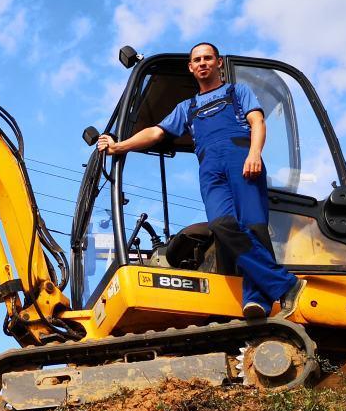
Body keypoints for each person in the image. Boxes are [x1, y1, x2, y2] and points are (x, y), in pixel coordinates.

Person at [96, 42, 304, 320]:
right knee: (222, 224)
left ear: (218, 63)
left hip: (241, 158)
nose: (203, 62)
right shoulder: (187, 107)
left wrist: (255, 153)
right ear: (191, 68)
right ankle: (285, 284)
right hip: (210, 167)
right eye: (197, 59)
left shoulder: (237, 91)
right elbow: (156, 133)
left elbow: (257, 123)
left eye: (208, 58)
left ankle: (256, 299)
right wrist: (119, 146)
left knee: (253, 227)